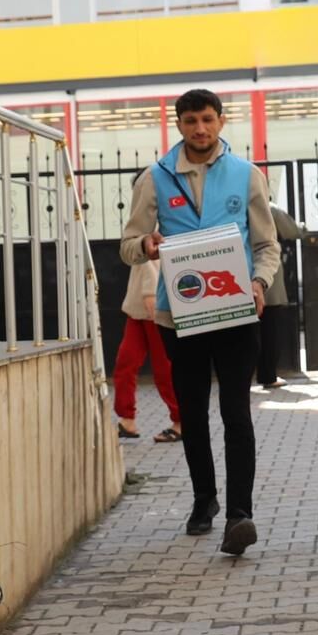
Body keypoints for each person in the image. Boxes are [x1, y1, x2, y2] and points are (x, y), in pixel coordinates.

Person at [121, 89, 281, 556]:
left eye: (208, 119)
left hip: (236, 313)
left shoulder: (246, 175)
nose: (200, 129)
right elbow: (128, 245)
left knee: (236, 412)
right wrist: (146, 245)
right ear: (179, 125)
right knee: (191, 413)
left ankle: (239, 513)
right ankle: (203, 500)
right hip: (179, 317)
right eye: (191, 121)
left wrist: (259, 283)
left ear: (221, 121)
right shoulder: (155, 177)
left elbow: (267, 244)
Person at [112, 259, 182, 443]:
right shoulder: (137, 245)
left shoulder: (146, 245)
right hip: (137, 313)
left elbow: (151, 278)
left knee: (163, 371)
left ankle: (181, 421)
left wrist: (157, 315)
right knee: (126, 363)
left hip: (153, 312)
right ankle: (127, 420)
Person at [256, 205, 304, 389]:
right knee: (270, 331)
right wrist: (303, 228)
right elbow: (293, 231)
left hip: (241, 276)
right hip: (268, 279)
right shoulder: (269, 208)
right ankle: (268, 376)